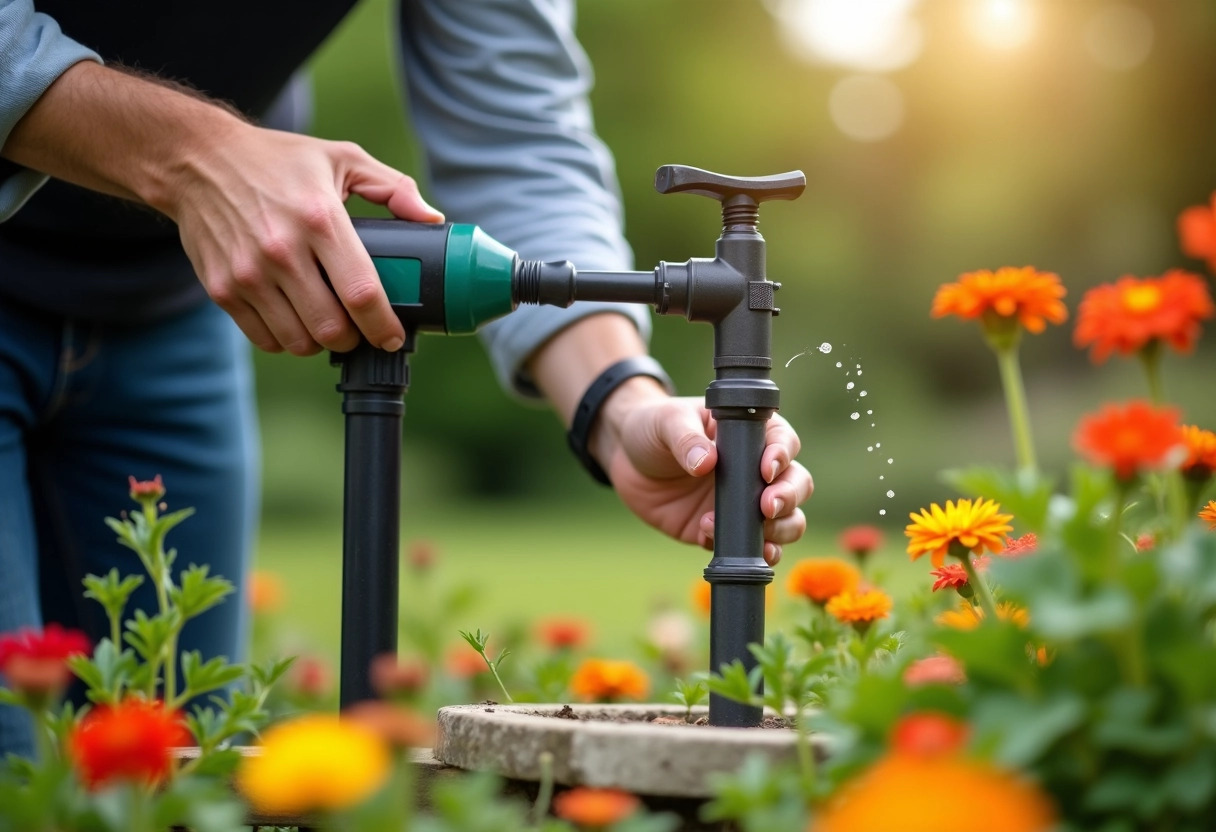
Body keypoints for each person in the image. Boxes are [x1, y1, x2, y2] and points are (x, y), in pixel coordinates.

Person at [0, 0, 813, 754]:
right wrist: (195, 156)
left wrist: (620, 404)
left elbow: (513, 127)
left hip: (167, 300)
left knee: (174, 760)